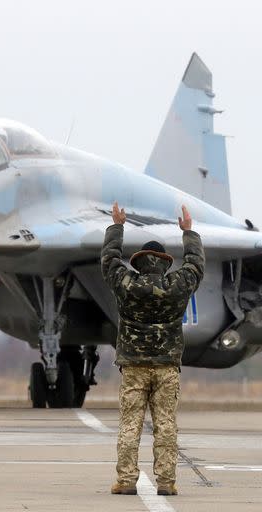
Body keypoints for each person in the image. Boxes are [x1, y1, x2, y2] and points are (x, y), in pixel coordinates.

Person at [101, 202, 205, 497]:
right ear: (163, 261)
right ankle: (166, 482)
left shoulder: (127, 283)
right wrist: (188, 232)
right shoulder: (177, 284)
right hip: (167, 367)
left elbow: (108, 261)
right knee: (166, 425)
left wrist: (117, 226)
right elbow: (196, 265)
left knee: (130, 423)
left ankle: (125, 480)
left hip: (133, 366)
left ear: (140, 261)